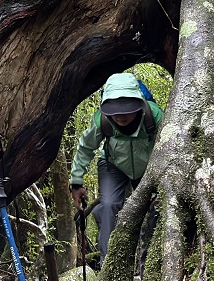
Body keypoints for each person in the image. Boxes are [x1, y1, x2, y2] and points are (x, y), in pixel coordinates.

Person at [69, 71, 163, 264]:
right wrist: (76, 183)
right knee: (109, 206)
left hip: (148, 168)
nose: (120, 116)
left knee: (156, 208)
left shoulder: (153, 115)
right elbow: (85, 147)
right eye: (115, 110)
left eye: (126, 109)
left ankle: (149, 266)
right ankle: (108, 265)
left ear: (138, 104)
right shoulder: (102, 120)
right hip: (113, 165)